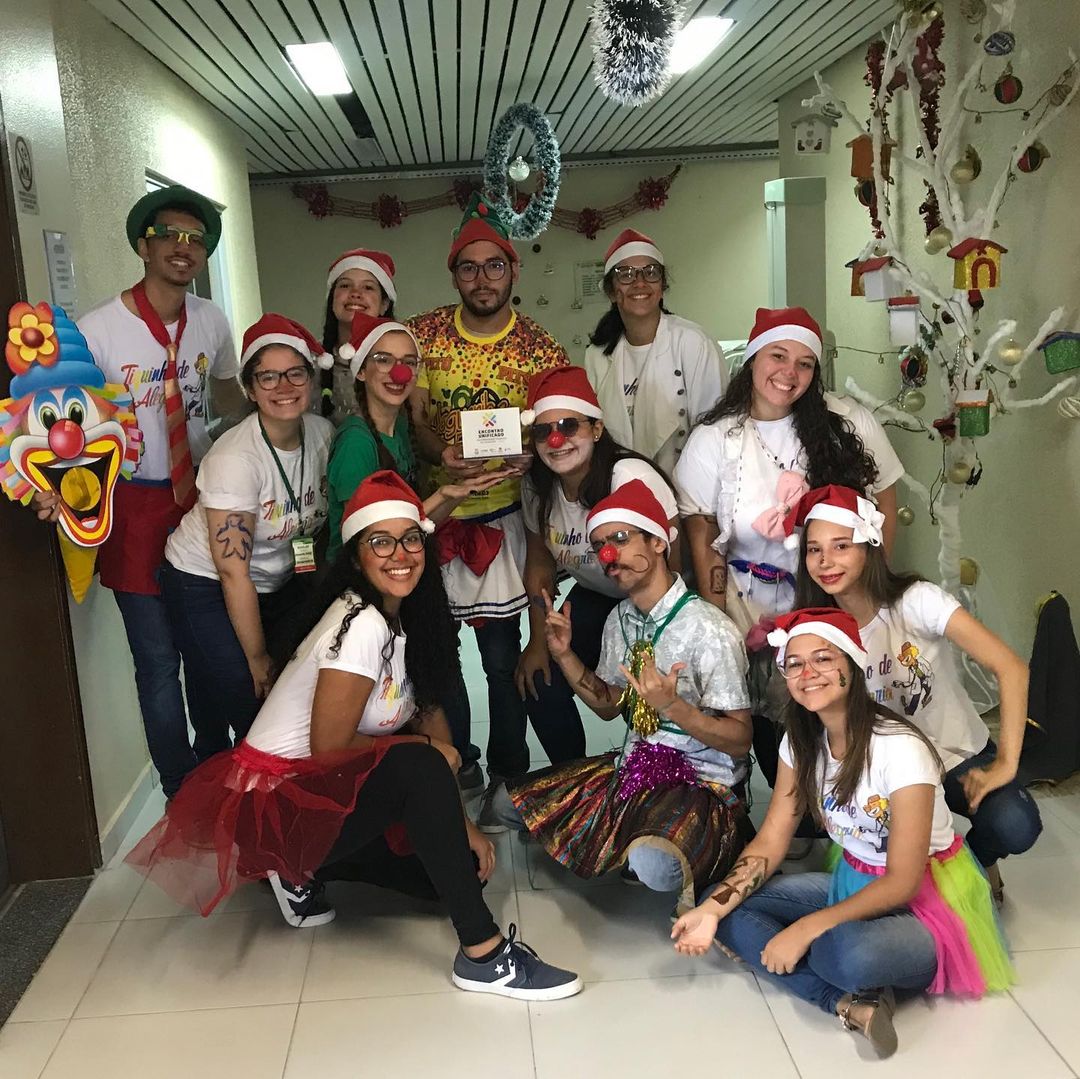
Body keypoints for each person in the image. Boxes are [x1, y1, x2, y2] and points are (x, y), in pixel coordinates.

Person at [127, 471, 583, 1001]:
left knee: (451, 873)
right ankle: (483, 955)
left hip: (315, 796)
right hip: (276, 809)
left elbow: (429, 716)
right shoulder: (360, 623)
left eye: (410, 540)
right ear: (357, 556)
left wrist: (463, 827)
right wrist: (427, 752)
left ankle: (301, 871)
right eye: (380, 542)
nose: (400, 555)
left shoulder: (405, 618)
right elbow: (331, 749)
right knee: (422, 764)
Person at [672, 608, 1013, 1061]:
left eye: (823, 659)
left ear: (852, 666)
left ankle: (857, 974)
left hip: (927, 899)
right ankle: (848, 1005)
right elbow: (772, 839)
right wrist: (712, 911)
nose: (807, 673)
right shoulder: (799, 742)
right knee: (723, 907)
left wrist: (807, 927)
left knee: (845, 955)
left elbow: (904, 881)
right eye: (794, 664)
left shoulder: (901, 749)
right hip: (855, 880)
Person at [33, 185, 246, 798]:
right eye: (169, 235)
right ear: (143, 246)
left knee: (209, 648)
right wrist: (50, 488)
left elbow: (227, 396)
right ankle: (180, 788)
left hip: (199, 502)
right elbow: (65, 430)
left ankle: (218, 766)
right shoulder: (97, 330)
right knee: (157, 662)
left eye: (196, 239)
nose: (184, 247)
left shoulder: (211, 321)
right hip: (131, 504)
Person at [488, 480, 752, 911]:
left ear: (659, 542)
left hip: (700, 783)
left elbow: (740, 741)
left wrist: (674, 708)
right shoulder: (620, 619)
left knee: (654, 867)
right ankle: (632, 839)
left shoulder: (710, 629)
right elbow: (609, 706)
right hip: (633, 769)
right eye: (600, 545)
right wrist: (564, 654)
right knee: (506, 804)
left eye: (621, 539)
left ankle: (708, 842)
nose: (608, 555)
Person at [674, 306, 904, 786]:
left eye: (805, 363)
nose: (789, 373)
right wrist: (718, 625)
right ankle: (787, 810)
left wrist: (867, 589)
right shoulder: (715, 438)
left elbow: (883, 496)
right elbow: (702, 532)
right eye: (778, 356)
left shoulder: (846, 421)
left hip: (827, 600)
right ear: (753, 359)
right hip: (747, 606)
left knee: (829, 724)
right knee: (767, 729)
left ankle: (836, 811)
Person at [789, 483, 1041, 898]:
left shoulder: (917, 601)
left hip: (957, 755)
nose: (825, 561)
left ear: (869, 547)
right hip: (885, 771)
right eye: (814, 550)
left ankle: (976, 862)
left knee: (1015, 824)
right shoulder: (816, 629)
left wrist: (1007, 763)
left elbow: (1011, 668)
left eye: (841, 546)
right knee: (889, 876)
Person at [406, 192, 568, 797]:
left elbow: (559, 426)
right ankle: (459, 764)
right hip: (437, 518)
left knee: (501, 661)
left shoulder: (540, 347)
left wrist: (538, 452)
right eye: (469, 268)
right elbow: (415, 421)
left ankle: (509, 772)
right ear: (454, 274)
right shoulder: (422, 335)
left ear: (513, 270)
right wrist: (440, 455)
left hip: (506, 519)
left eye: (494, 265)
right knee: (439, 661)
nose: (482, 279)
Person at [326, 311, 512, 789]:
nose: (398, 372)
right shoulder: (356, 443)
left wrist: (454, 493)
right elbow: (371, 537)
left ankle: (452, 772)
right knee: (418, 686)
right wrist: (445, 495)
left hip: (398, 580)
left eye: (409, 361)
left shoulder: (401, 429)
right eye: (383, 360)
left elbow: (412, 524)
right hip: (363, 590)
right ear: (361, 370)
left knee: (433, 676)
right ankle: (441, 773)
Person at [161, 315, 334, 764]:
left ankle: (227, 771)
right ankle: (236, 787)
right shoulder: (236, 458)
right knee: (252, 698)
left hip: (273, 581)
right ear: (251, 388)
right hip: (204, 581)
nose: (284, 386)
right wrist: (257, 658)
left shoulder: (322, 434)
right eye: (268, 376)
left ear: (311, 379)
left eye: (295, 373)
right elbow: (232, 572)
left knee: (272, 688)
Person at [510, 365, 678, 777]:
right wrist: (538, 640)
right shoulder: (537, 485)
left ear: (597, 429)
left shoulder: (628, 477)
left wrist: (659, 632)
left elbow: (674, 556)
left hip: (650, 602)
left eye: (569, 426)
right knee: (541, 682)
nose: (556, 440)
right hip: (596, 596)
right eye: (544, 430)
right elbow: (539, 561)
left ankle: (659, 781)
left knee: (642, 702)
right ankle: (575, 782)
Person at [584, 228, 727, 478]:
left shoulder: (694, 343)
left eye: (650, 272)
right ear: (611, 291)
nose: (640, 283)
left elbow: (716, 431)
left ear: (662, 286)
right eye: (626, 274)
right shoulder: (596, 355)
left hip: (686, 485)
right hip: (620, 487)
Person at [318, 248, 397, 424]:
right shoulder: (310, 360)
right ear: (332, 299)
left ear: (384, 305)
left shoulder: (401, 361)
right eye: (345, 285)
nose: (355, 293)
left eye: (368, 287)